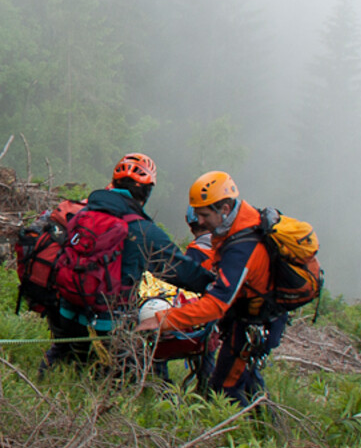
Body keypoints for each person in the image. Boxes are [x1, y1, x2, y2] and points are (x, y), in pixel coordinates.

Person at [41, 153, 213, 373]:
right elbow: (180, 270)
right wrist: (217, 288)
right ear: (147, 191)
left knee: (64, 356)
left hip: (67, 309)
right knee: (126, 373)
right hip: (109, 321)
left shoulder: (84, 213)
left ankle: (48, 380)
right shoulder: (143, 230)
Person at [135, 171, 289, 404]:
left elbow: (216, 304)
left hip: (256, 321)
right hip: (252, 318)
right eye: (197, 216)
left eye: (204, 215)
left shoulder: (242, 247)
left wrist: (162, 320)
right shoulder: (238, 227)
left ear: (225, 209)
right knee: (244, 381)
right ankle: (265, 429)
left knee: (226, 390)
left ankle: (241, 435)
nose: (201, 222)